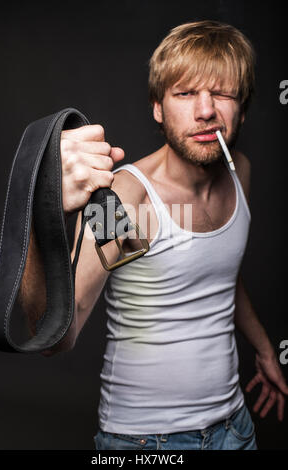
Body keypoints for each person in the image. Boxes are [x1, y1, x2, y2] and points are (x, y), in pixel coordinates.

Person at [19, 20, 288, 450]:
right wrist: (39, 213)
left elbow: (223, 275)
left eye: (222, 93)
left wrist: (265, 349)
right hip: (148, 443)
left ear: (242, 106)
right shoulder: (126, 200)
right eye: (184, 93)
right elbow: (56, 336)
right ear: (158, 107)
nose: (205, 111)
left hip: (236, 428)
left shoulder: (241, 173)